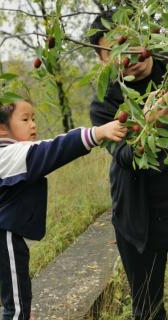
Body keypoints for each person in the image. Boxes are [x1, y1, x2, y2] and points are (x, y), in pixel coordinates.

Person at [0, 99, 127, 320]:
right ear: (0, 128)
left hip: (6, 236)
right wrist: (97, 133)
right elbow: (55, 148)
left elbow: (47, 148)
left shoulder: (6, 155)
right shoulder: (11, 155)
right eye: (25, 119)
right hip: (4, 237)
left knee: (21, 303)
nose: (33, 125)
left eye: (34, 118)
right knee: (16, 309)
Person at [89, 11, 168, 320]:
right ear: (102, 60)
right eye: (117, 51)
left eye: (132, 44)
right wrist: (150, 122)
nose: (130, 56)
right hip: (140, 218)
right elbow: (124, 154)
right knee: (148, 309)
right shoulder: (104, 103)